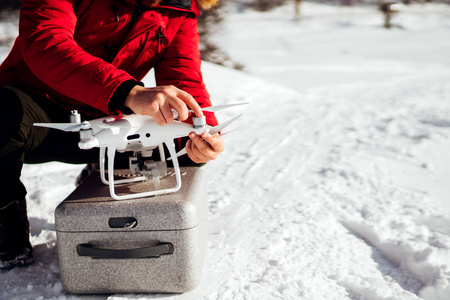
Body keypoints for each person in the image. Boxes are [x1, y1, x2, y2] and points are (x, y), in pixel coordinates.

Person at [0, 0, 223, 269]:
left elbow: (186, 81)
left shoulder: (179, 9)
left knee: (184, 147)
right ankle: (5, 228)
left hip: (108, 124)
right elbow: (46, 42)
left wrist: (204, 132)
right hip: (35, 116)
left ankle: (106, 181)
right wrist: (129, 92)